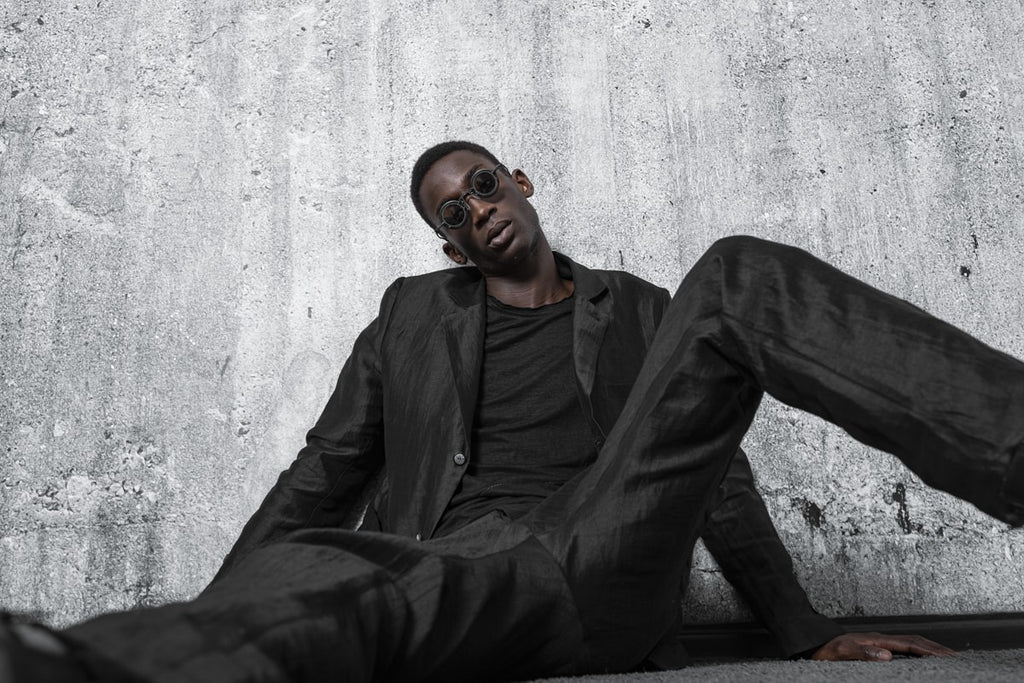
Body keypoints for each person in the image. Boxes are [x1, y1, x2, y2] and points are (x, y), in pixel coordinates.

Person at [9, 139, 1024, 682]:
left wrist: (801, 630)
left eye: (483, 184)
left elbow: (713, 476)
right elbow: (324, 469)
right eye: (452, 212)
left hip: (601, 542)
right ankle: (94, 666)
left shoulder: (639, 308)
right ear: (450, 247)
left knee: (742, 273)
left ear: (522, 183)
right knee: (322, 562)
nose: (476, 207)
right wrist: (211, 609)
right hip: (454, 561)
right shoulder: (410, 313)